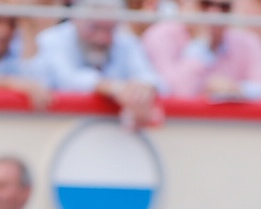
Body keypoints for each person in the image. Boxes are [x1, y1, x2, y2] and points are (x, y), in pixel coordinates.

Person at [30, 0, 164, 126]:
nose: (101, 38)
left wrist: (141, 92)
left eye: (109, 29)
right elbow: (66, 79)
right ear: (75, 19)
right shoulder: (51, 40)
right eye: (94, 27)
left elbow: (155, 81)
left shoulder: (126, 42)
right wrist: (116, 88)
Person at [142, 0, 261, 100]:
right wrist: (201, 44)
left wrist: (239, 89)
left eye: (224, 7)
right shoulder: (160, 36)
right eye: (206, 4)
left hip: (232, 132)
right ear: (186, 4)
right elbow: (173, 92)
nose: (215, 14)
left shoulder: (248, 42)